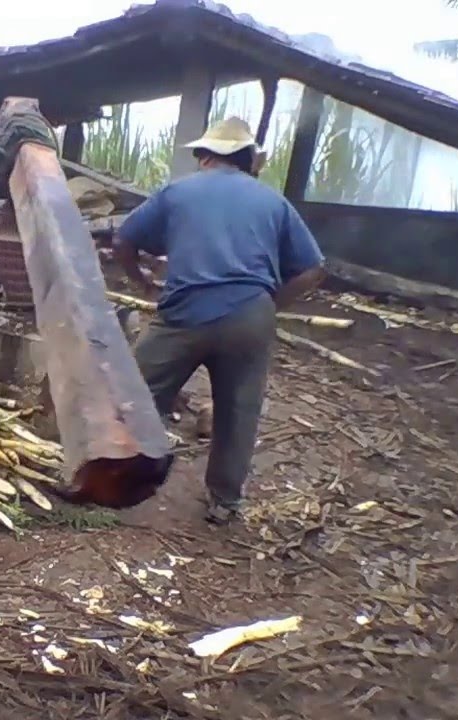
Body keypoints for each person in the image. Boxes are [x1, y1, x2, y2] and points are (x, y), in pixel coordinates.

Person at [111, 117, 326, 524]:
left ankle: (115, 476)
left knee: (133, 392)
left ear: (205, 156)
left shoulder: (179, 191)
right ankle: (224, 502)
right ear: (247, 160)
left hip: (185, 314)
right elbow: (314, 269)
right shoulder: (273, 201)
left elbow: (124, 239)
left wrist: (140, 282)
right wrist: (267, 303)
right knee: (239, 409)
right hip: (250, 315)